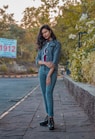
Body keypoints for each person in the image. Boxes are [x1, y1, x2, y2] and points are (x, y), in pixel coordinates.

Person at [36, 24, 61, 130]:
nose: (44, 34)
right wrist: (45, 63)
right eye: (43, 33)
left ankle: (51, 118)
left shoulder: (56, 44)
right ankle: (47, 116)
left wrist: (49, 75)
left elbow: (54, 62)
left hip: (51, 72)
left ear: (50, 31)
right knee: (44, 94)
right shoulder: (42, 45)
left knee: (48, 93)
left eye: (46, 32)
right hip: (42, 71)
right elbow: (37, 60)